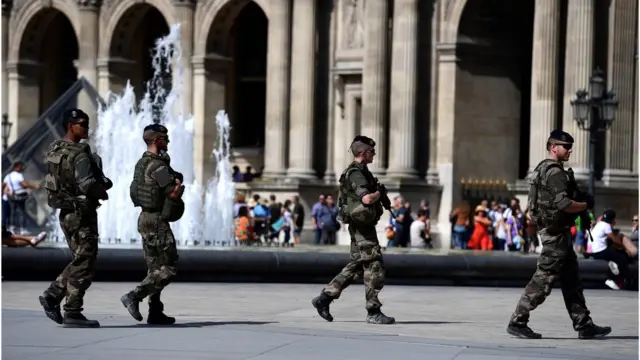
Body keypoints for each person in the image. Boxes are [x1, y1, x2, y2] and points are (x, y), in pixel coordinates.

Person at [508, 130, 610, 339]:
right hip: (555, 236)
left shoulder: (540, 169)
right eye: (565, 146)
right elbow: (563, 204)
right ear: (553, 147)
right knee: (543, 279)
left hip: (556, 232)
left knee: (572, 280)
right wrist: (584, 205)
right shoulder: (554, 172)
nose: (570, 150)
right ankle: (518, 321)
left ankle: (583, 324)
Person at [39, 108, 111, 328]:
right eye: (82, 124)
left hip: (66, 212)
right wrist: (104, 189)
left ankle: (54, 296)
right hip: (82, 213)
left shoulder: (55, 149)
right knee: (85, 260)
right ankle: (71, 310)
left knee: (80, 259)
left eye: (87, 124)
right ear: (71, 125)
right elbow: (87, 184)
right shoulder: (80, 153)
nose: (86, 128)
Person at [311, 135, 395, 325]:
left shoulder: (363, 171)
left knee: (357, 265)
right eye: (372, 151)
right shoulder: (356, 173)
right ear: (363, 153)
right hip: (362, 226)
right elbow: (366, 199)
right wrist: (378, 194)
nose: (374, 154)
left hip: (362, 224)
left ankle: (324, 298)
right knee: (373, 264)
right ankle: (373, 311)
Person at [120, 123, 185, 325]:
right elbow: (171, 192)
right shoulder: (158, 165)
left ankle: (155, 311)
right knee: (169, 266)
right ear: (157, 140)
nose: (168, 142)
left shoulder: (142, 163)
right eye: (165, 138)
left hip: (145, 219)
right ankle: (134, 296)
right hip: (157, 220)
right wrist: (179, 189)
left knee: (154, 268)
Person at [590, 209, 631, 290]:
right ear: (613, 219)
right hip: (601, 251)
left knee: (617, 254)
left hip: (595, 252)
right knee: (622, 258)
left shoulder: (599, 224)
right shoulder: (606, 225)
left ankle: (613, 265)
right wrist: (625, 247)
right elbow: (614, 239)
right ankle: (612, 278)